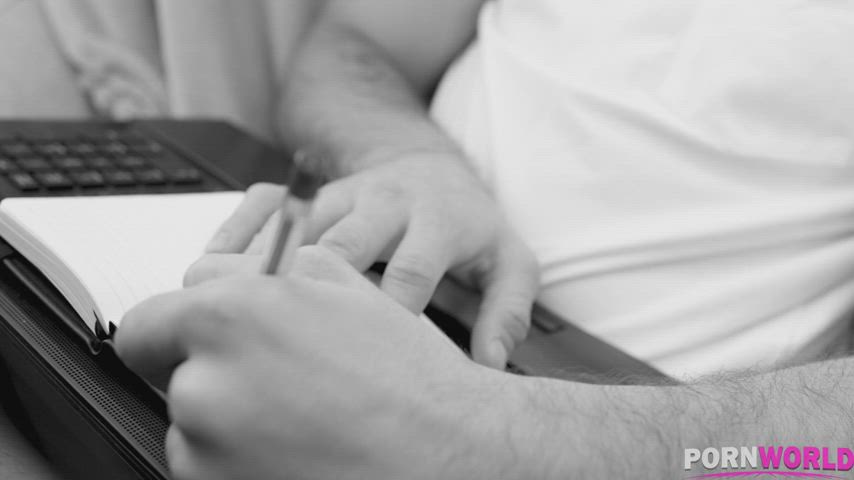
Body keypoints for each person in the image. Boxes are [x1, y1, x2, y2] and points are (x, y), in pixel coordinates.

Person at [117, 0, 854, 477]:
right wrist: (410, 159)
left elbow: (824, 448)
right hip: (364, 309)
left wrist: (491, 438)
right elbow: (353, 44)